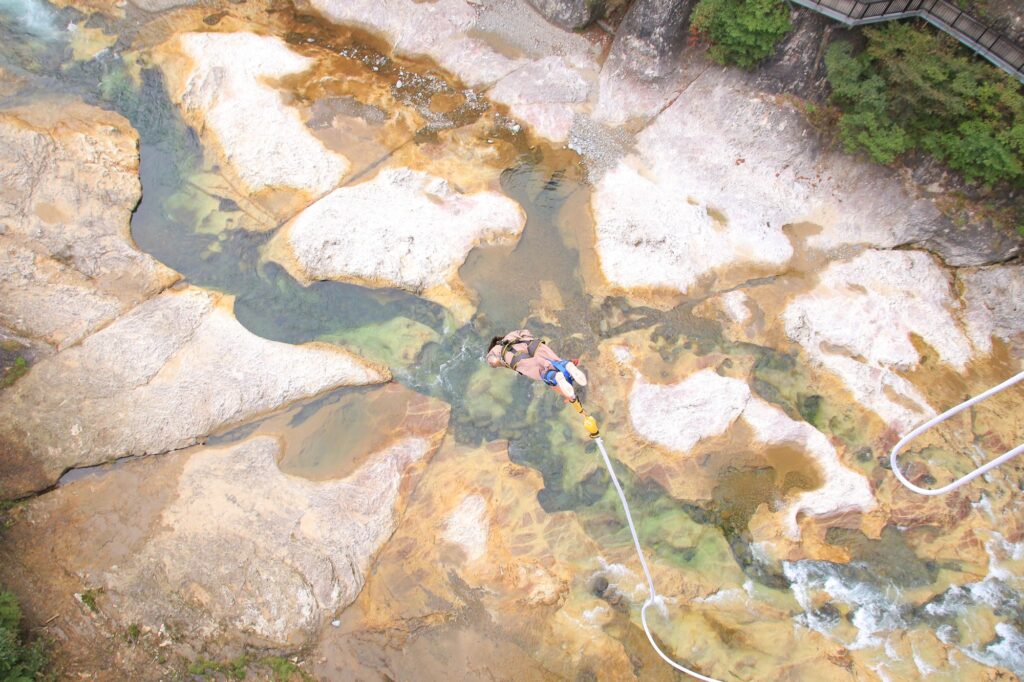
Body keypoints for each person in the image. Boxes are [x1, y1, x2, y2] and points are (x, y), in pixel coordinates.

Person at [486, 329, 587, 400]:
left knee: (544, 374)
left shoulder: (494, 352)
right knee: (554, 361)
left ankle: (557, 377)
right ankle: (568, 365)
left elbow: (490, 360)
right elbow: (525, 331)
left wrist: (496, 363)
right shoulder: (512, 334)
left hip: (519, 359)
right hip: (533, 344)